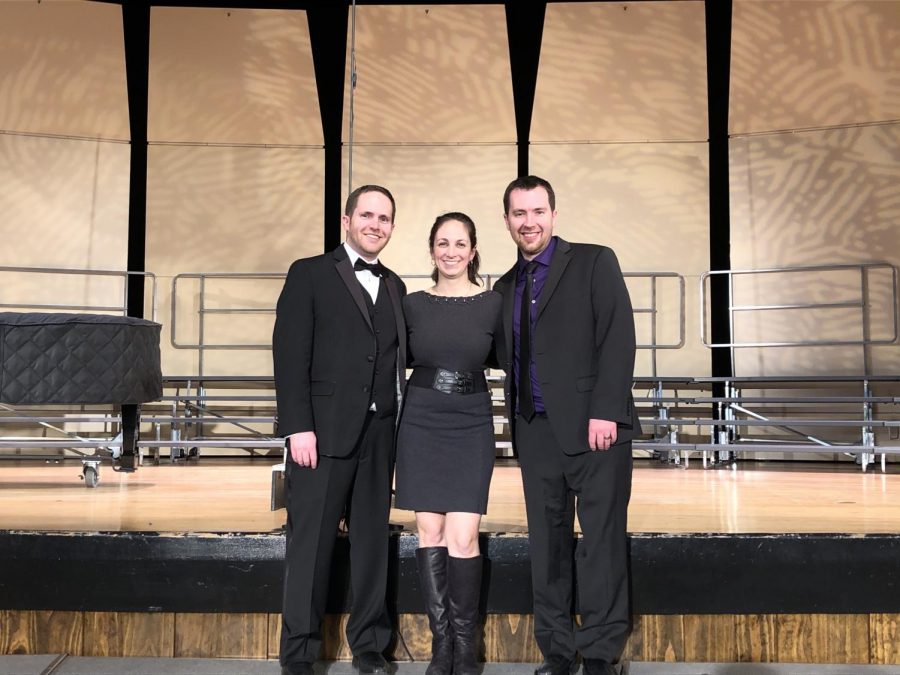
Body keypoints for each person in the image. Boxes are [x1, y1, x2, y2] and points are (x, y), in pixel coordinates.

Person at [492, 176, 640, 675]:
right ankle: (556, 650)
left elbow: (618, 337)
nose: (528, 222)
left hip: (593, 427)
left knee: (601, 540)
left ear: (554, 215)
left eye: (537, 211)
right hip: (535, 430)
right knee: (546, 543)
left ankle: (600, 651)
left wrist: (607, 410)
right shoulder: (504, 286)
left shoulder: (595, 261)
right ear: (507, 220)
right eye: (518, 213)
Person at [272, 185, 407, 675]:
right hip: (321, 435)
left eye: (385, 217)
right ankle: (300, 652)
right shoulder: (308, 273)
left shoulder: (395, 285)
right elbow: (289, 356)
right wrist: (298, 428)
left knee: (373, 542)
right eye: (367, 214)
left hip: (379, 434)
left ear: (392, 227)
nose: (375, 224)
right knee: (309, 545)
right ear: (346, 220)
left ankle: (370, 646)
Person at [394, 212, 502, 675]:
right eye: (443, 243)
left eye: (460, 244)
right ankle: (442, 647)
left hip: (472, 420)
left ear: (473, 250)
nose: (451, 252)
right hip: (422, 418)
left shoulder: (494, 303)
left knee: (463, 536)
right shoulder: (411, 303)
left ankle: (465, 644)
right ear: (431, 249)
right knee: (429, 533)